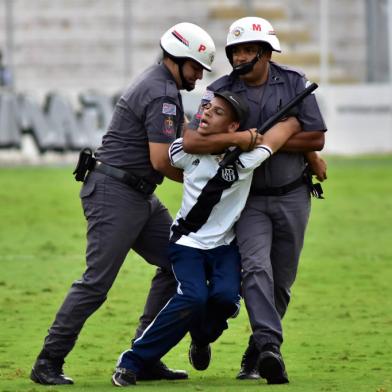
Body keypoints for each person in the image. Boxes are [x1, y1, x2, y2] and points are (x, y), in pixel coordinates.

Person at [30, 22, 221, 386]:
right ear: (177, 59)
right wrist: (206, 180)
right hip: (116, 194)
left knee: (176, 262)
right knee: (96, 283)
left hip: (135, 194)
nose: (198, 76)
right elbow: (162, 161)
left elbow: (180, 137)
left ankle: (145, 355)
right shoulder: (161, 92)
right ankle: (48, 360)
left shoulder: (160, 84)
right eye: (196, 67)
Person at [111, 90, 300, 387]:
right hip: (187, 244)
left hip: (224, 247)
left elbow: (276, 138)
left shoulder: (248, 158)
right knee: (193, 297)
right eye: (207, 108)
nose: (208, 113)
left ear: (234, 125)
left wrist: (293, 126)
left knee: (226, 299)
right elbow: (188, 140)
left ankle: (200, 338)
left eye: (218, 112)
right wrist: (235, 139)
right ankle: (133, 360)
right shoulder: (184, 150)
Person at [182, 16, 327, 384]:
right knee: (256, 271)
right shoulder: (217, 90)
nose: (240, 56)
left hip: (294, 194)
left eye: (248, 49)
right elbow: (197, 139)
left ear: (264, 52)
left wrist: (266, 143)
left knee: (281, 283)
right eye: (236, 50)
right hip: (246, 201)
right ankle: (269, 348)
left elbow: (316, 138)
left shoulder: (294, 84)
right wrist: (241, 140)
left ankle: (252, 354)